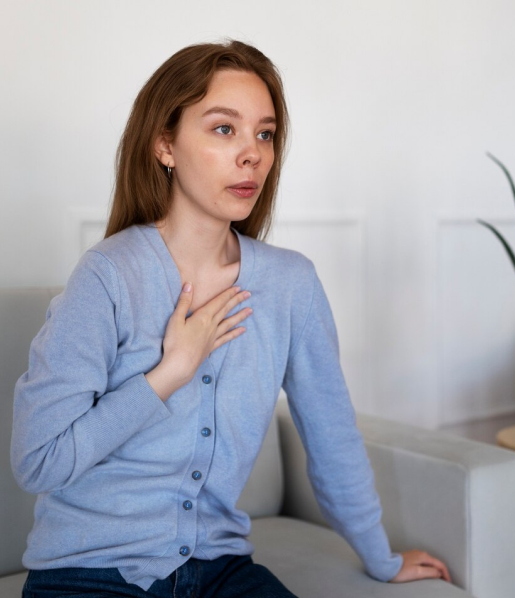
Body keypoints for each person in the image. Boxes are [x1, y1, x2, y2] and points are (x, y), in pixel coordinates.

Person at [11, 40, 451, 597]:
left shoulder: (291, 285)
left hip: (220, 573)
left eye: (264, 134)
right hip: (86, 574)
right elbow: (38, 462)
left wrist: (380, 556)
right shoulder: (107, 277)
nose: (253, 155)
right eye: (224, 129)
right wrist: (170, 372)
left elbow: (332, 434)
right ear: (164, 144)